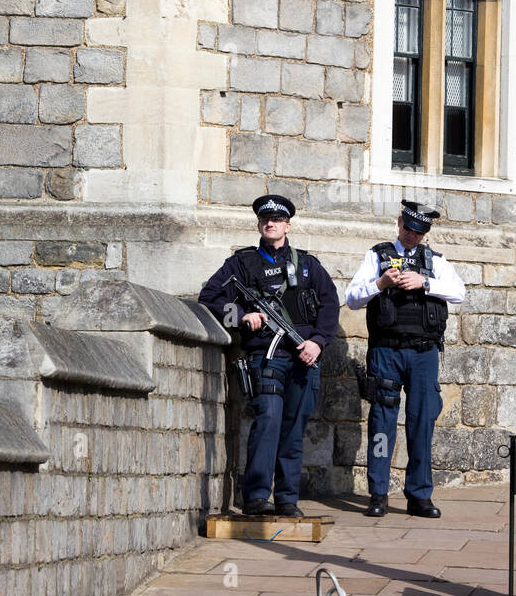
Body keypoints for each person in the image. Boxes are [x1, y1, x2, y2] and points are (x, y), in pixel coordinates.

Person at [199, 194, 340, 518]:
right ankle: (257, 497)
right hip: (265, 356)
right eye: (265, 219)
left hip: (303, 357)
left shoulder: (308, 265)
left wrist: (317, 342)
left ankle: (287, 499)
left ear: (287, 225)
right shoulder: (242, 263)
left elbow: (330, 305)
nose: (270, 223)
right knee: (268, 422)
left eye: (277, 219)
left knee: (293, 427)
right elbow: (210, 297)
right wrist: (242, 316)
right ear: (260, 224)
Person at [345, 200, 465, 518]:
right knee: (382, 424)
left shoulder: (434, 261)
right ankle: (379, 494)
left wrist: (425, 283)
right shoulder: (377, 255)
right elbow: (353, 298)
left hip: (424, 352)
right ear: (399, 223)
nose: (413, 236)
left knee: (421, 422)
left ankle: (419, 495)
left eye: (420, 232)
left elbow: (460, 292)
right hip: (386, 350)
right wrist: (381, 283)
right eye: (409, 228)